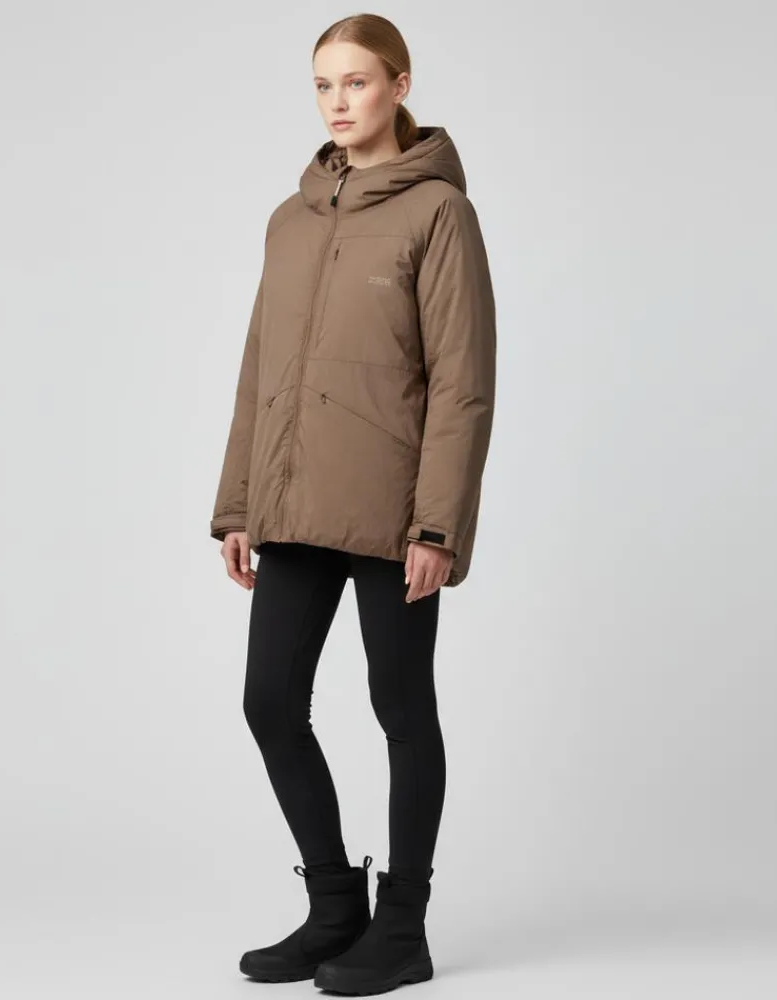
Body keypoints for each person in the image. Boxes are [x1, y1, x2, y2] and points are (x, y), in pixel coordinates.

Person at [209, 13, 496, 996]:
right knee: (269, 701)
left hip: (391, 511)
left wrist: (437, 525)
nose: (338, 101)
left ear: (400, 86)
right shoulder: (288, 221)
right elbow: (259, 372)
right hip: (293, 505)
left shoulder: (438, 214)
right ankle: (336, 907)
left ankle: (403, 926)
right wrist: (238, 503)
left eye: (357, 82)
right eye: (323, 85)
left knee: (399, 706)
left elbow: (461, 382)